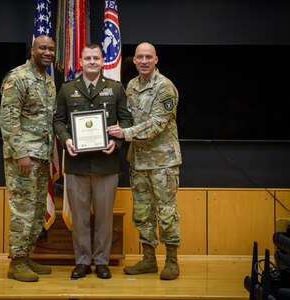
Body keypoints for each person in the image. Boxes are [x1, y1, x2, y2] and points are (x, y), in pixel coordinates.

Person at [54, 43, 133, 279]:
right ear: (80, 60)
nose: (91, 62)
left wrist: (117, 142)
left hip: (106, 164)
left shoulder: (115, 88)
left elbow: (127, 121)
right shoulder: (67, 89)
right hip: (77, 165)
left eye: (96, 58)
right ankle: (82, 262)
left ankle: (101, 261)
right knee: (79, 219)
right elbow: (58, 120)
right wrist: (66, 139)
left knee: (104, 217)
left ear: (102, 61)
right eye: (87, 58)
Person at [107, 42, 182, 280]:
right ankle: (149, 259)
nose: (144, 61)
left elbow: (158, 124)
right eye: (140, 57)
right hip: (138, 161)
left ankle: (171, 260)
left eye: (149, 57)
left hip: (163, 162)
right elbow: (128, 118)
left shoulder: (164, 87)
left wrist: (125, 134)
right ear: (135, 60)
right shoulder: (130, 86)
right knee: (142, 212)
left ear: (156, 60)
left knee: (166, 212)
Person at [0, 35, 56, 282]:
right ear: (33, 50)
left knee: (36, 210)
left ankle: (27, 256)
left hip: (42, 156)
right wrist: (20, 153)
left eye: (51, 49)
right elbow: (9, 119)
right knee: (22, 210)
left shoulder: (48, 82)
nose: (47, 52)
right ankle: (17, 263)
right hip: (24, 157)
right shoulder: (18, 77)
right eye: (42, 47)